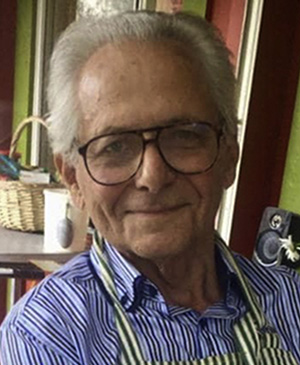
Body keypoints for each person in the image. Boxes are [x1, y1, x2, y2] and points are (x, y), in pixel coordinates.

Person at [1, 10, 300, 365]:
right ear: (73, 178)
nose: (153, 176)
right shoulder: (45, 337)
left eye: (184, 135)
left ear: (229, 155)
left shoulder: (292, 303)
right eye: (114, 146)